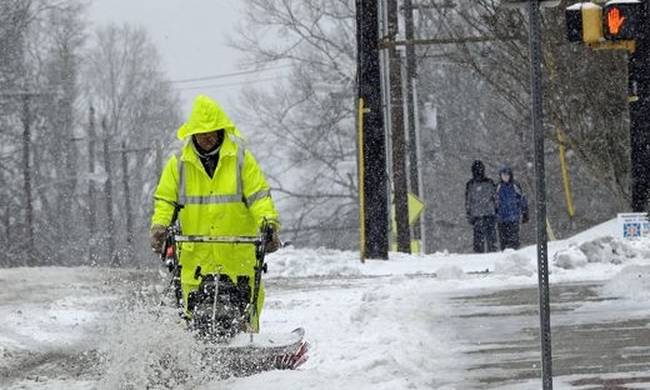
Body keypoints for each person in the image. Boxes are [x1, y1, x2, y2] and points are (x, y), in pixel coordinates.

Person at [149, 94, 280, 332]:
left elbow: (259, 197)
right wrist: (160, 226)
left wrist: (268, 224)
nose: (207, 138)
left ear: (221, 131)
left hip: (237, 256)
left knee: (245, 308)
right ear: (193, 133)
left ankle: (247, 344)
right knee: (193, 312)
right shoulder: (178, 164)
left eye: (212, 132)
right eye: (202, 132)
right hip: (196, 257)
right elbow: (165, 199)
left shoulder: (241, 160)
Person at [465, 160, 497, 253]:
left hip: (483, 214)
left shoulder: (472, 184)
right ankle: (486, 255)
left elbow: (468, 201)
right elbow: (468, 201)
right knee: (486, 239)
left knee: (485, 240)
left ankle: (487, 255)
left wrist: (469, 214)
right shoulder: (473, 184)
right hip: (482, 214)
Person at [496, 166, 529, 250]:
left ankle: (515, 254)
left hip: (514, 217)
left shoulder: (515, 185)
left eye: (507, 175)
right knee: (503, 240)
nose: (505, 177)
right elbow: (494, 200)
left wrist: (525, 212)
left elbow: (522, 199)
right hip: (502, 218)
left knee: (514, 239)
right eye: (503, 175)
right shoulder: (498, 186)